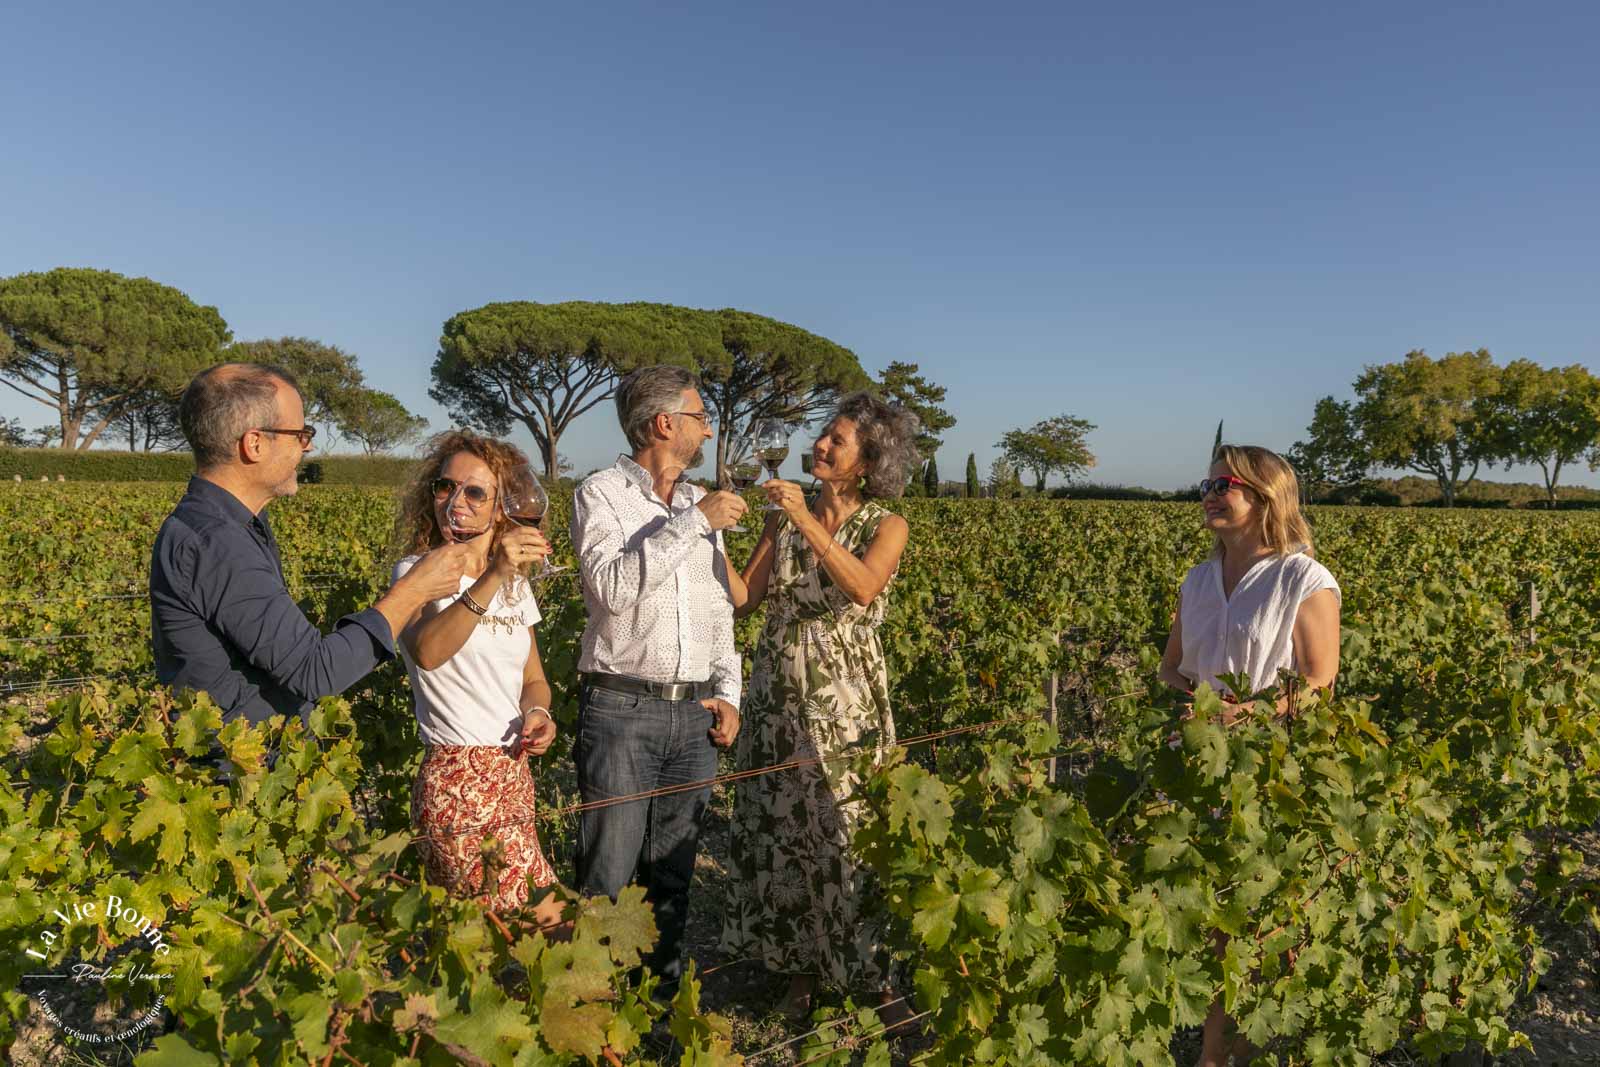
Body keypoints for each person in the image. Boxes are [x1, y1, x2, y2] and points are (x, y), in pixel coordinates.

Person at [720, 392, 918, 1023]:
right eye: (823, 436)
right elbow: (744, 599)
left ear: (864, 463)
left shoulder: (886, 524)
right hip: (776, 691)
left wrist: (806, 520)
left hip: (844, 701)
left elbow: (861, 587)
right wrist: (710, 535)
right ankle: (798, 972)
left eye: (836, 440)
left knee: (850, 831)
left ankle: (872, 973)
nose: (821, 446)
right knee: (782, 831)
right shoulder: (782, 518)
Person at [150, 363, 468, 729]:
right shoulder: (218, 542)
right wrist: (413, 590)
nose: (309, 445)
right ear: (254, 443)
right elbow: (315, 670)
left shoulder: (232, 527)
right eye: (300, 433)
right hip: (240, 774)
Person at [1157, 444, 1341, 1067]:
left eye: (1225, 484)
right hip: (1202, 768)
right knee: (1214, 928)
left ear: (1266, 497)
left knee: (1260, 927)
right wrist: (1195, 707)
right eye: (1205, 485)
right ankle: (1215, 1056)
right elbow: (1170, 667)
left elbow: (1319, 683)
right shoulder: (1198, 578)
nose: (1210, 495)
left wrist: (1248, 714)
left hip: (1270, 774)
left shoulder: (1303, 578)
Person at [569, 365, 747, 994]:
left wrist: (727, 691)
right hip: (621, 711)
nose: (708, 428)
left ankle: (657, 1015)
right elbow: (614, 590)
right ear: (665, 423)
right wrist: (694, 525)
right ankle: (591, 1017)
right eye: (700, 417)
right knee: (608, 878)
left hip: (693, 717)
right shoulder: (601, 494)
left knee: (672, 876)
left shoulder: (703, 505)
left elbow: (717, 608)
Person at [391, 431, 564, 924]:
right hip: (456, 780)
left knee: (492, 938)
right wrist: (491, 579)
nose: (455, 502)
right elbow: (427, 651)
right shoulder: (415, 574)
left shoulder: (515, 586)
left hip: (512, 775)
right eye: (445, 487)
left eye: (474, 493)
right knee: (546, 922)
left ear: (502, 508)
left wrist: (539, 711)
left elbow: (534, 678)